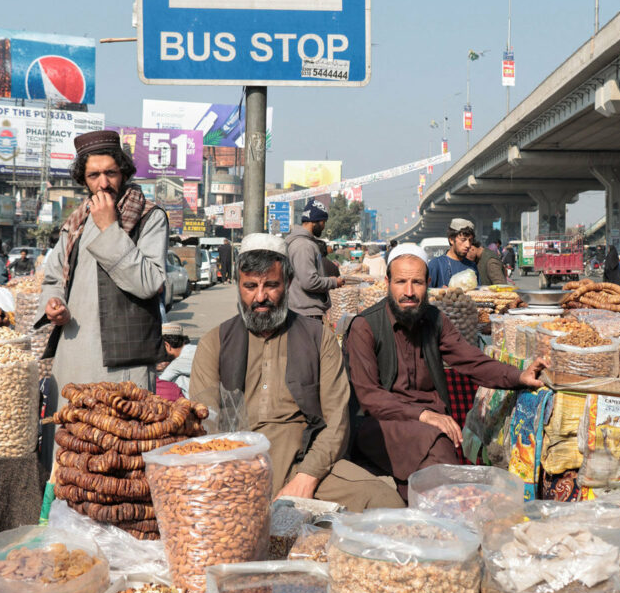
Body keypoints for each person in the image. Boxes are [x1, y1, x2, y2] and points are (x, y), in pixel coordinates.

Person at [190, 234, 403, 509]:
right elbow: (205, 425)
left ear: (288, 283)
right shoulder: (214, 342)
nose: (261, 297)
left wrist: (307, 477)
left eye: (271, 285)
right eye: (250, 286)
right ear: (238, 286)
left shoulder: (318, 338)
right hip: (235, 468)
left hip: (306, 462)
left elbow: (336, 420)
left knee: (385, 500)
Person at [344, 243, 546, 499]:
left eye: (416, 282)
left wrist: (518, 376)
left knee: (438, 449)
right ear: (387, 282)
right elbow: (370, 397)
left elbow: (471, 360)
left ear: (428, 282)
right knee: (437, 447)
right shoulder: (365, 326)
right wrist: (423, 415)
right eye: (401, 282)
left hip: (430, 423)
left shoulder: (435, 320)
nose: (409, 292)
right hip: (381, 423)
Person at [36, 130, 169, 434]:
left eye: (110, 172)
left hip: (122, 365)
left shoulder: (149, 217)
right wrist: (54, 304)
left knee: (117, 457)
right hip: (73, 352)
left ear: (124, 172)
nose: (104, 183)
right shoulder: (76, 221)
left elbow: (149, 282)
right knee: (69, 451)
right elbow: (54, 277)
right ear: (83, 180)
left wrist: (110, 228)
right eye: (94, 175)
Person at [286, 199, 346, 318]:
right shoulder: (304, 246)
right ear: (315, 222)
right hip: (306, 314)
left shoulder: (305, 243)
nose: (323, 227)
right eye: (323, 222)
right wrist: (333, 281)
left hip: (306, 313)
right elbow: (309, 282)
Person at [428, 218, 479, 287]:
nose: (468, 245)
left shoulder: (472, 266)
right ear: (451, 240)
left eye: (470, 240)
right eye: (463, 240)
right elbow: (426, 294)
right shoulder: (436, 265)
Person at [158, 323, 197, 397]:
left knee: (176, 380)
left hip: (204, 402)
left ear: (167, 345)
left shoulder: (177, 364)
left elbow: (160, 382)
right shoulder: (195, 348)